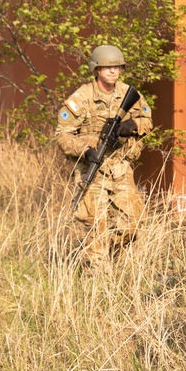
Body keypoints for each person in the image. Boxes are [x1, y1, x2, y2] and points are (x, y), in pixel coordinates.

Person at [56, 45, 153, 265]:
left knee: (133, 224)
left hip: (120, 168)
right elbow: (63, 134)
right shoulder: (81, 97)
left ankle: (98, 251)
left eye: (117, 66)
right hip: (92, 168)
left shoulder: (129, 94)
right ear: (96, 69)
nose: (113, 71)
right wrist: (86, 150)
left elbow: (148, 121)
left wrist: (133, 124)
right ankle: (96, 273)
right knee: (95, 227)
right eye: (107, 67)